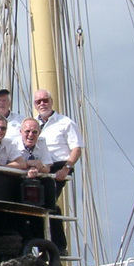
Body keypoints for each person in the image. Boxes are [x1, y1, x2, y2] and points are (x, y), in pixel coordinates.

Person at [34, 89, 83, 253]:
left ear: (51, 101)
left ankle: (58, 246)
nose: (42, 104)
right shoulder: (33, 125)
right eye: (39, 101)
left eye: (45, 100)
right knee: (33, 203)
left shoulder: (65, 122)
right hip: (41, 167)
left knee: (46, 202)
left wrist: (66, 168)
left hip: (59, 166)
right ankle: (43, 245)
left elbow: (76, 148)